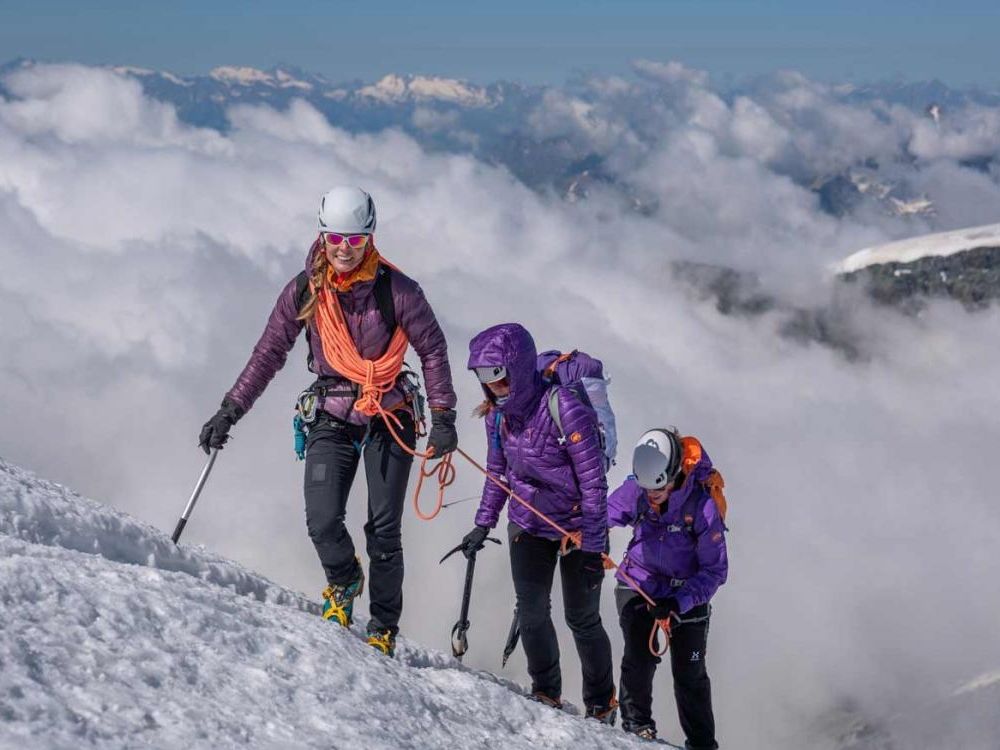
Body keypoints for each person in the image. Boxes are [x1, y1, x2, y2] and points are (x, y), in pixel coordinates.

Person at [198, 186, 457, 657]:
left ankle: (383, 626)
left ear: (369, 239)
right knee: (321, 519)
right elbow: (269, 353)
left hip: (389, 413)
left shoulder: (398, 291)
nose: (343, 248)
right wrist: (230, 409)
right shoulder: (306, 289)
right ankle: (344, 580)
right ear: (322, 234)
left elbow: (433, 350)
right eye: (336, 237)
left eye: (355, 241)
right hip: (333, 408)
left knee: (383, 529)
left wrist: (443, 416)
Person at [459, 322, 617, 722]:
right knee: (531, 611)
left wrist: (594, 546)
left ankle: (601, 703)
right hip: (528, 523)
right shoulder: (497, 418)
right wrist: (483, 524)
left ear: (518, 366)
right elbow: (497, 474)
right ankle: (546, 691)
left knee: (581, 618)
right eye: (482, 375)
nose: (491, 384)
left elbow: (594, 483)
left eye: (497, 373)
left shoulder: (564, 407)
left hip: (579, 529)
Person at [608, 428, 728, 747]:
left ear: (674, 473)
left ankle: (702, 744)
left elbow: (715, 570)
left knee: (690, 673)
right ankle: (636, 727)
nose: (651, 494)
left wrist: (679, 602)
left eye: (658, 487)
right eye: (646, 487)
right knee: (639, 655)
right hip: (639, 581)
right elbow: (604, 514)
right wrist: (588, 539)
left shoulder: (702, 507)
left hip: (687, 593)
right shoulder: (638, 489)